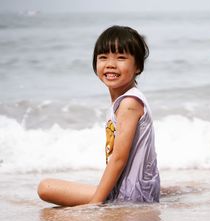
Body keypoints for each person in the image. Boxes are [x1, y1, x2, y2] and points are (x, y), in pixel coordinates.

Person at [37, 25, 160, 206]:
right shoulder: (126, 100)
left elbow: (119, 158)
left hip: (130, 195)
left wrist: (94, 203)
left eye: (121, 58)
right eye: (103, 57)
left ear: (138, 67)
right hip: (131, 189)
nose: (110, 64)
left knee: (45, 187)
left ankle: (103, 198)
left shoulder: (129, 104)